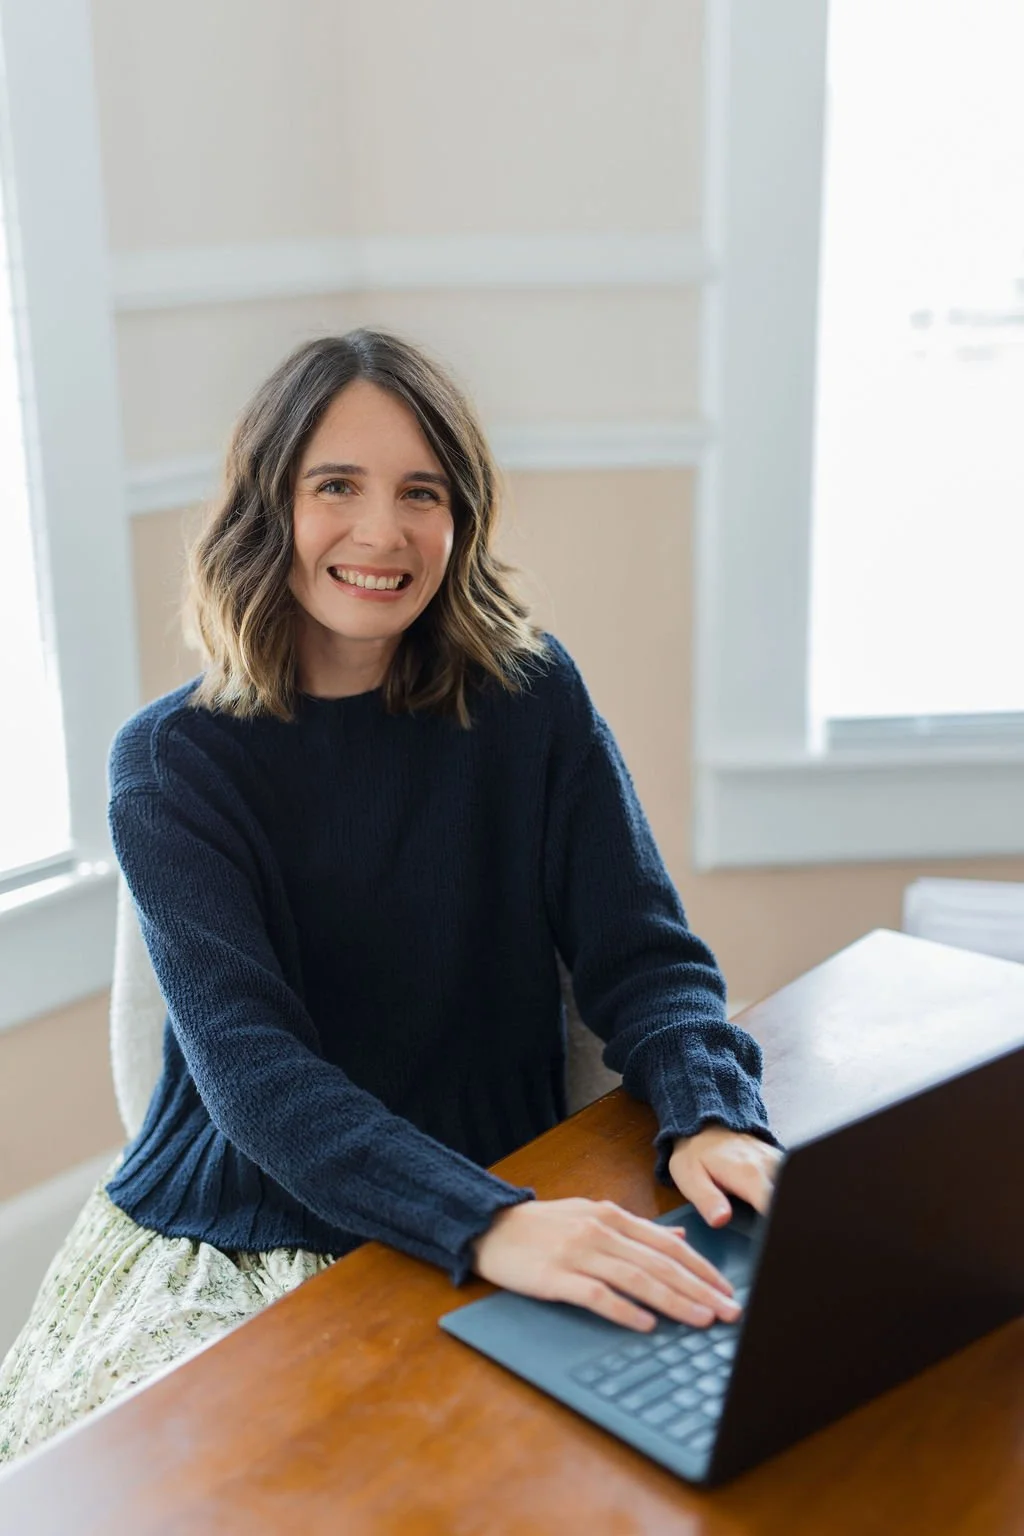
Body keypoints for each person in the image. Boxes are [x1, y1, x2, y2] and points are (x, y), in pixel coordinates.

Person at [0, 328, 781, 1464]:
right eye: (337, 486)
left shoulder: (531, 696)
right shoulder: (172, 764)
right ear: (267, 509)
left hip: (510, 1185)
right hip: (244, 1228)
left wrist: (710, 1108)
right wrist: (489, 1225)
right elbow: (258, 1080)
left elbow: (645, 954)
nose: (382, 532)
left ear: (459, 518)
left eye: (423, 492)